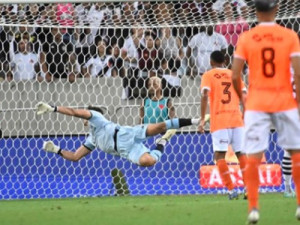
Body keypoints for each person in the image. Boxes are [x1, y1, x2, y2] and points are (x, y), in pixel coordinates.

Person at [231, 0, 300, 223]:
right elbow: (298, 73)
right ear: (276, 9)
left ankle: (253, 208)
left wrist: (243, 99)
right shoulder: (290, 35)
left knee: (253, 154)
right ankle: (299, 203)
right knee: (295, 150)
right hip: (284, 100)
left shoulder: (246, 37)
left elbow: (235, 75)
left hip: (257, 102)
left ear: (255, 11)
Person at [36, 102, 199, 167]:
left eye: (86, 115)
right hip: (126, 151)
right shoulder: (91, 139)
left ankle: (194, 120)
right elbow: (75, 157)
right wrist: (56, 150)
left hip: (127, 134)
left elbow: (74, 112)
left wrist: (53, 108)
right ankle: (163, 142)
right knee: (148, 161)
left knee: (160, 126)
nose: (83, 118)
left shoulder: (97, 118)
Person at [198, 51, 247, 200]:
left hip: (219, 120)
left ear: (211, 61)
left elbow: (205, 94)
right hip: (236, 119)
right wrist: (244, 115)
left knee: (219, 155)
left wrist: (202, 118)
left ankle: (231, 190)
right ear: (224, 61)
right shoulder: (234, 74)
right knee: (241, 154)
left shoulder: (208, 75)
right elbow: (244, 95)